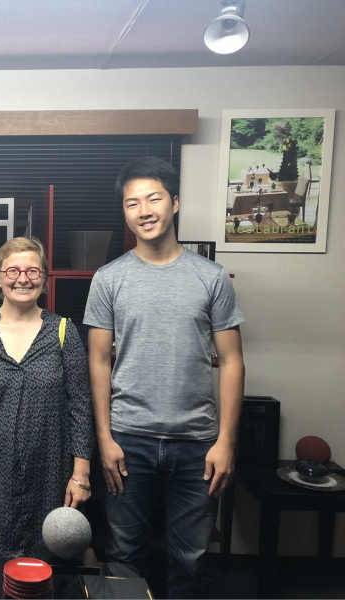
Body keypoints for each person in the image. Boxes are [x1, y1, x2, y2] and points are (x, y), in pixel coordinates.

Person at [83, 157, 245, 598]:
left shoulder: (211, 278)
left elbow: (232, 361)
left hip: (197, 444)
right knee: (123, 554)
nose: (144, 211)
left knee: (190, 558)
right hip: (128, 440)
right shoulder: (108, 279)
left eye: (153, 199)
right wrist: (104, 438)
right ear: (124, 212)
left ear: (174, 203)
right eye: (132, 203)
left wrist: (226, 442)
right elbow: (98, 362)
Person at [0, 237, 94, 557]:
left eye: (33, 271)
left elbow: (81, 406)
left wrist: (81, 474)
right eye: (12, 271)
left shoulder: (63, 332)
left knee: (46, 562)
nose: (23, 279)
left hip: (50, 473)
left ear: (43, 278)